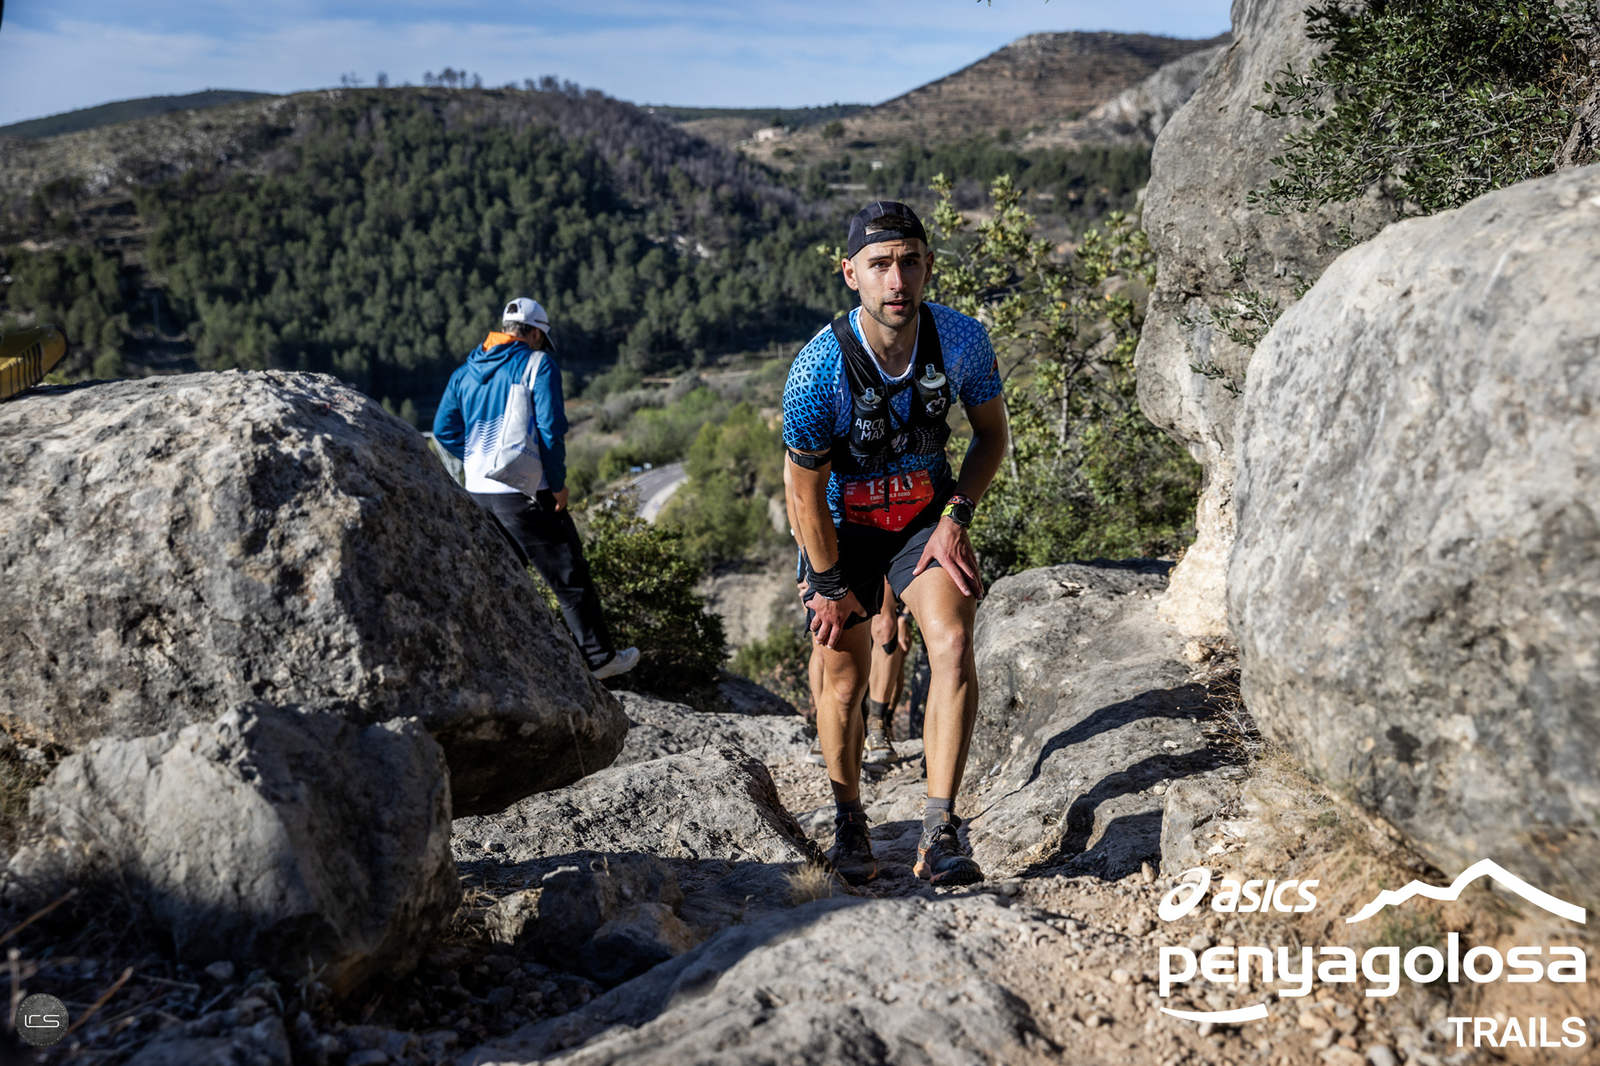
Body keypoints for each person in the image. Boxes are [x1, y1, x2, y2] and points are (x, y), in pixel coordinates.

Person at [783, 201, 1008, 886]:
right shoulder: (818, 369)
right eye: (879, 264)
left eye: (909, 261)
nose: (897, 279)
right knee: (844, 676)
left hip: (923, 520)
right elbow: (801, 493)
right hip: (839, 531)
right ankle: (849, 821)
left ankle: (940, 830)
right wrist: (827, 585)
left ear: (929, 266)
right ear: (850, 273)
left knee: (953, 642)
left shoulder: (962, 341)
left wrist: (956, 518)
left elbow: (991, 437)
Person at [433, 297, 638, 680]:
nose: (541, 344)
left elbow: (443, 429)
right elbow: (551, 430)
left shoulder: (465, 372)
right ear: (534, 334)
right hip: (526, 492)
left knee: (500, 578)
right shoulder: (537, 364)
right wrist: (557, 484)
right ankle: (599, 660)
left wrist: (479, 459)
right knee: (569, 577)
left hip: (478, 492)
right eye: (541, 338)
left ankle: (496, 661)